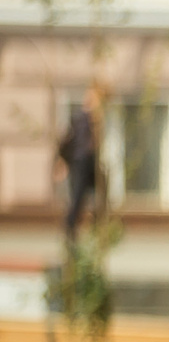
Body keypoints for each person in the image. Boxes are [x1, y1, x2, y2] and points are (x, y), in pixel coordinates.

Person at [57, 83, 103, 240]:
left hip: (88, 162)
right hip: (81, 162)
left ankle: (88, 224)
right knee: (77, 196)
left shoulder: (92, 118)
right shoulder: (82, 118)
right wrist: (62, 162)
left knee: (92, 195)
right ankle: (71, 228)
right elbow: (69, 141)